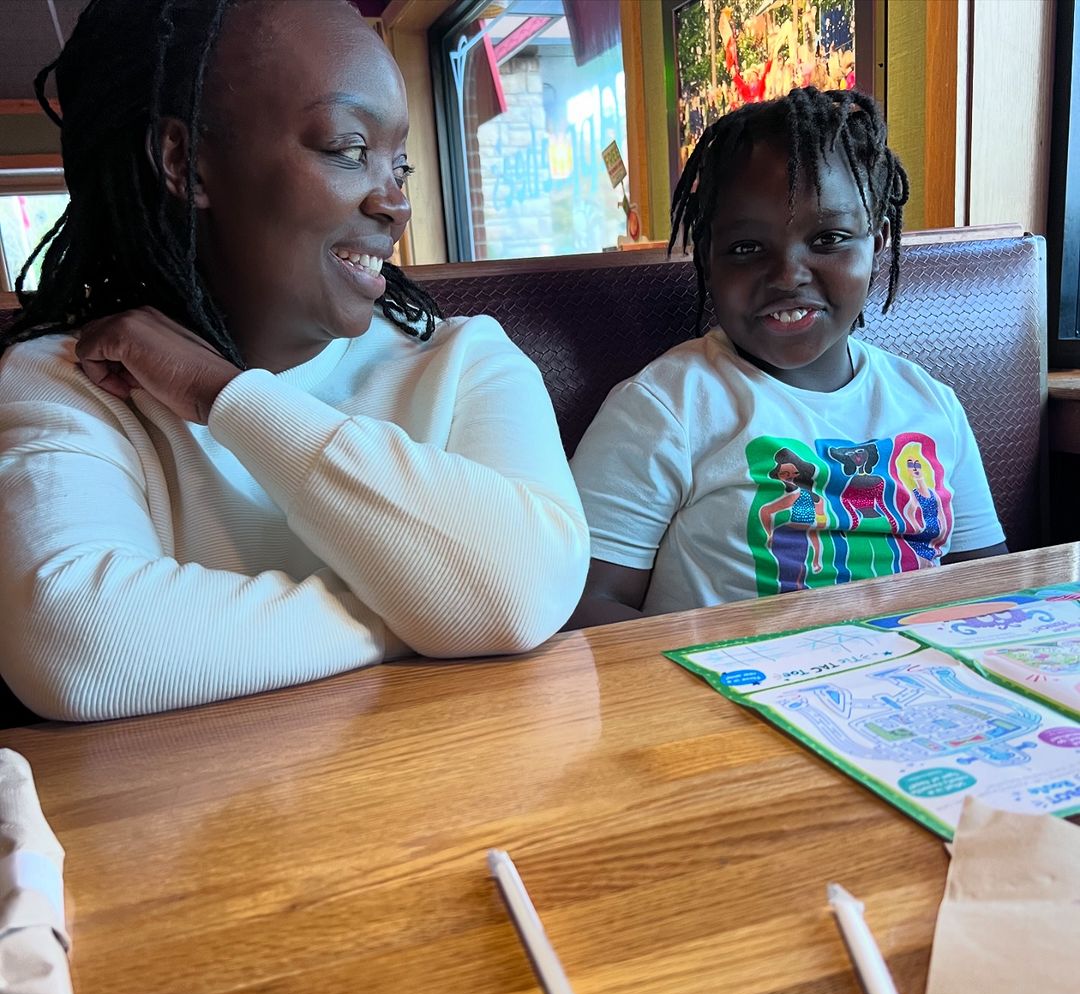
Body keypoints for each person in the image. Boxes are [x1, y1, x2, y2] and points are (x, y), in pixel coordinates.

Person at [0, 0, 589, 722]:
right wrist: (435, 607)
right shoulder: (74, 381)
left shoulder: (467, 359)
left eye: (398, 161)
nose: (396, 200)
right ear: (185, 162)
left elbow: (528, 583)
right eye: (347, 148)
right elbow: (78, 644)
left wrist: (224, 396)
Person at [567, 87, 1006, 628]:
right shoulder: (665, 407)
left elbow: (986, 587)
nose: (787, 274)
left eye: (829, 238)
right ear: (708, 258)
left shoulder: (933, 405)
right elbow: (578, 604)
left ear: (879, 241)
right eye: (747, 248)